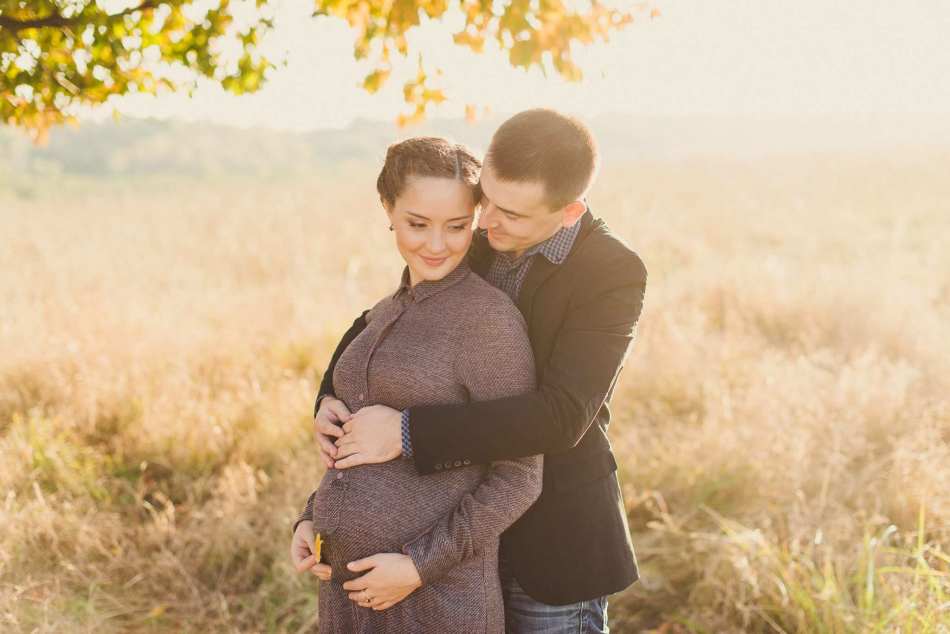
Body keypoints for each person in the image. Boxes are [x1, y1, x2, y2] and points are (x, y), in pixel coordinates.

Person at [303, 109, 647, 633]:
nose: (485, 222)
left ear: (570, 211)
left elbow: (562, 416)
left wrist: (405, 431)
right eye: (486, 199)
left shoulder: (611, 271)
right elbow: (390, 320)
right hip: (462, 541)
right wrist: (329, 394)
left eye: (510, 213)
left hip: (554, 542)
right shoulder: (472, 234)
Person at [289, 136, 543, 633]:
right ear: (387, 208)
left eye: (456, 226)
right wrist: (311, 520)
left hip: (436, 605)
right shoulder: (384, 312)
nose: (436, 244)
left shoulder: (485, 321)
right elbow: (355, 444)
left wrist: (418, 565)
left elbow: (520, 477)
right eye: (417, 224)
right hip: (349, 601)